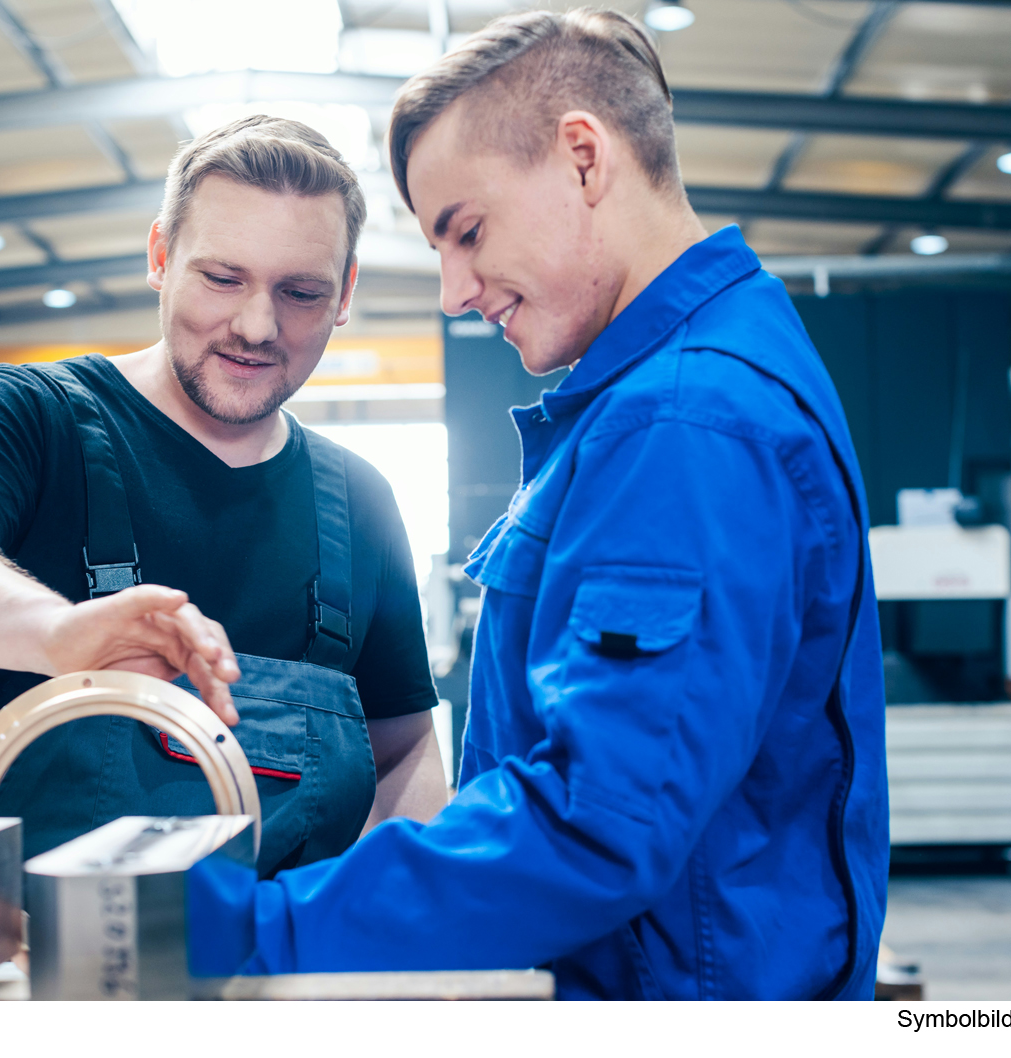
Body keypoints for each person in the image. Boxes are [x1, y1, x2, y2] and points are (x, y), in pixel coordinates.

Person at [189, 10, 888, 999]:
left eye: (467, 231)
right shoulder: (692, 380)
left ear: (583, 158)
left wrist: (258, 925)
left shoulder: (684, 423)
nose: (452, 290)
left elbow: (594, 821)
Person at [0, 116, 448, 874]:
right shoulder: (34, 416)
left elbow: (404, 750)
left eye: (299, 292)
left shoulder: (360, 500)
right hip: (30, 969)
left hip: (278, 972)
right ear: (161, 256)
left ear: (345, 292)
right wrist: (57, 634)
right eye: (222, 278)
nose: (257, 326)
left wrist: (387, 923)